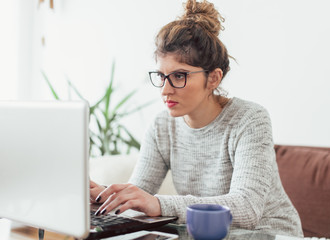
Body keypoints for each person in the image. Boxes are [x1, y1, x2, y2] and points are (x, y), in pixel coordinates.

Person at [90, 0, 303, 237]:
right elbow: (139, 193)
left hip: (270, 234)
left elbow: (247, 208)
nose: (165, 90)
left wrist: (159, 204)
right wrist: (107, 196)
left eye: (179, 76)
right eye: (161, 76)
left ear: (213, 78)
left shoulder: (250, 120)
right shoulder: (162, 127)